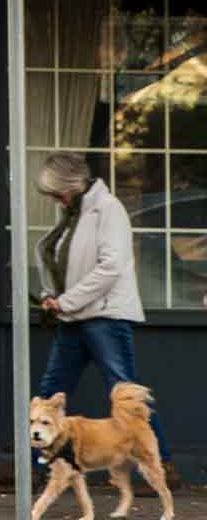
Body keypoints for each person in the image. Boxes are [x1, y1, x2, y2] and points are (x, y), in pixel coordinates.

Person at [32, 152, 173, 472]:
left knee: (127, 394)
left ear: (73, 185)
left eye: (58, 193)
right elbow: (60, 263)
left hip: (104, 316)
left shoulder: (107, 210)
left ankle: (161, 463)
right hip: (73, 317)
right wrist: (50, 296)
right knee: (51, 393)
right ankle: (40, 465)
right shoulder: (73, 214)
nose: (55, 200)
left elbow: (111, 267)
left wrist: (65, 301)